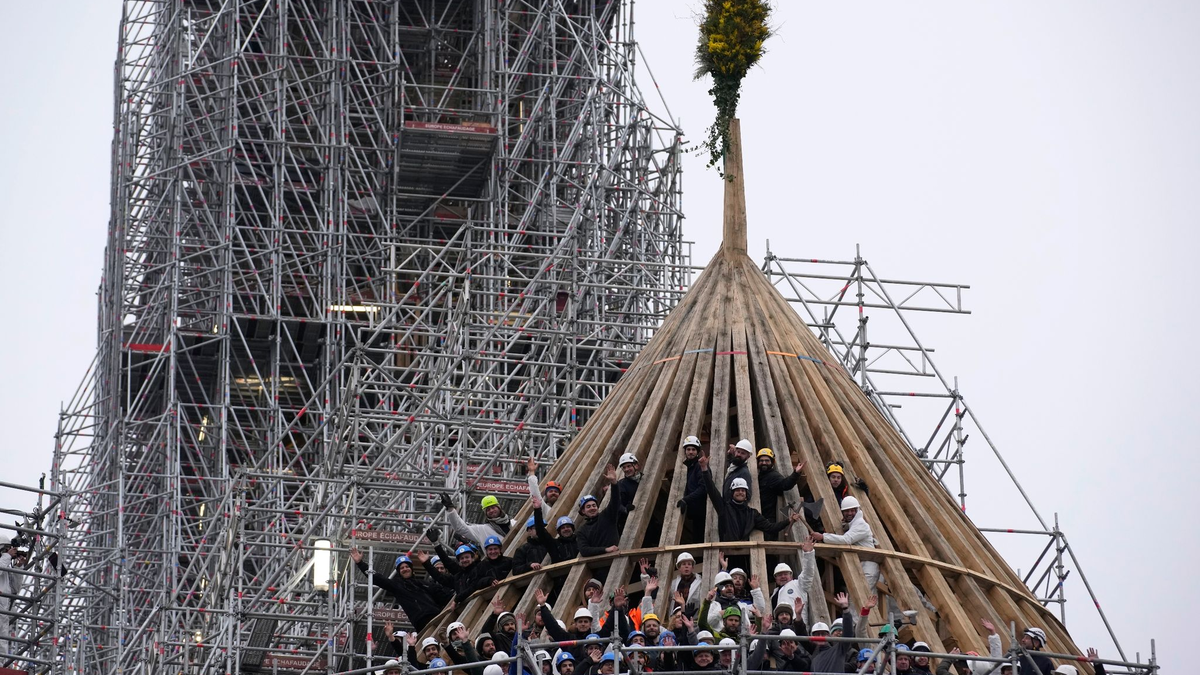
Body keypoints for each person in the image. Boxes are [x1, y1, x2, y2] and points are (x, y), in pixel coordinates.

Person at [702, 455, 802, 543]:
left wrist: (788, 520)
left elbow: (770, 528)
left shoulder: (752, 514)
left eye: (743, 490)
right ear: (732, 493)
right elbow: (711, 490)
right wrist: (704, 469)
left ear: (746, 494)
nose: (740, 492)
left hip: (744, 556)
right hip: (727, 554)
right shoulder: (723, 508)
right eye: (737, 490)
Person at [348, 548, 445, 630]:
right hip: (421, 622)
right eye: (402, 568)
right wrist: (360, 563)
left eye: (407, 566)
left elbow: (442, 594)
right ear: (399, 572)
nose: (405, 569)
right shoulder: (397, 586)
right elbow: (377, 579)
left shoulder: (424, 584)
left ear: (411, 568)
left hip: (436, 616)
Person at [810, 496, 880, 592]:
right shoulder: (854, 524)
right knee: (859, 597)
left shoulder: (861, 524)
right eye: (847, 511)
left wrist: (823, 537)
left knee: (863, 596)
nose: (850, 513)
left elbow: (846, 539)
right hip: (860, 566)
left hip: (868, 568)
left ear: (857, 510)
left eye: (852, 511)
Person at [576, 465, 624, 557]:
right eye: (588, 506)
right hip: (596, 566)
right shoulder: (582, 531)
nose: (592, 508)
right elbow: (584, 550)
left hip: (614, 561)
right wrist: (606, 549)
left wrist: (614, 483)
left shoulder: (607, 516)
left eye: (594, 505)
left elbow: (615, 501)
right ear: (583, 511)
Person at [420, 545, 492, 603]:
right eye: (462, 558)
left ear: (473, 558)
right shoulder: (459, 576)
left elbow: (474, 586)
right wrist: (426, 564)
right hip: (464, 610)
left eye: (467, 557)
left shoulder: (478, 569)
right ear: (459, 561)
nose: (464, 560)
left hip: (480, 604)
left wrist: (457, 599)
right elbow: (440, 577)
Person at [769, 537, 817, 624]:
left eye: (786, 574)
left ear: (791, 575)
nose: (783, 576)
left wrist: (808, 554)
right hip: (780, 629)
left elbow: (808, 572)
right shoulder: (774, 595)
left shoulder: (798, 584)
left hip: (797, 627)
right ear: (775, 579)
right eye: (779, 575)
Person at [440, 493, 513, 547]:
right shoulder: (483, 530)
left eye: (493, 507)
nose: (491, 511)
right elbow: (461, 528)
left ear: (499, 507)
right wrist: (450, 509)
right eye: (488, 509)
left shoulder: (514, 523)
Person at [755, 448, 805, 528]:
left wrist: (796, 473)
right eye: (761, 460)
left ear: (772, 462)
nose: (764, 463)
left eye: (767, 460)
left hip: (767, 518)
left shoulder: (773, 476)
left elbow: (785, 484)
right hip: (757, 516)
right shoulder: (757, 475)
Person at [677, 436, 707, 539]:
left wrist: (686, 499)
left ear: (697, 451)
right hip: (694, 511)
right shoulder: (689, 467)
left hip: (701, 511)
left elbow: (703, 488)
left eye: (693, 449)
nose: (690, 452)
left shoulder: (699, 466)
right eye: (688, 449)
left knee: (699, 537)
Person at [531, 495, 578, 562]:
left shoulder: (579, 540)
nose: (566, 529)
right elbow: (540, 531)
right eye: (563, 528)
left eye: (568, 527)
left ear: (572, 529)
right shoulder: (554, 545)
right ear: (559, 531)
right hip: (561, 572)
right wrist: (537, 510)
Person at [526, 456, 562, 522]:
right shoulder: (545, 508)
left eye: (556, 491)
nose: (553, 493)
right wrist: (532, 472)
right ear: (546, 494)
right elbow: (535, 492)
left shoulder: (564, 508)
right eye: (550, 491)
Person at [670, 552, 704, 617]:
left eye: (689, 564)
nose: (686, 566)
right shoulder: (673, 584)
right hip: (676, 619)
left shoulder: (700, 583)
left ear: (692, 567)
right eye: (683, 564)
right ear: (679, 568)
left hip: (693, 620)